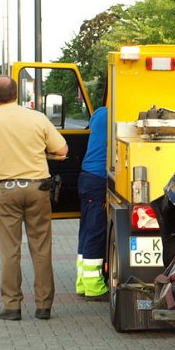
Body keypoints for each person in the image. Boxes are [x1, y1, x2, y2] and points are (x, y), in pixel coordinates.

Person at [0, 76, 69, 321]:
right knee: (41, 248)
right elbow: (62, 150)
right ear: (17, 94)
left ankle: (12, 306)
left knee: (10, 249)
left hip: (6, 190)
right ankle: (44, 306)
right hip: (38, 189)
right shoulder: (37, 118)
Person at [76, 103, 110, 300]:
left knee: (87, 230)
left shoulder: (99, 113)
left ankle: (82, 282)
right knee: (96, 232)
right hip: (99, 178)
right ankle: (94, 287)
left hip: (88, 176)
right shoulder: (116, 112)